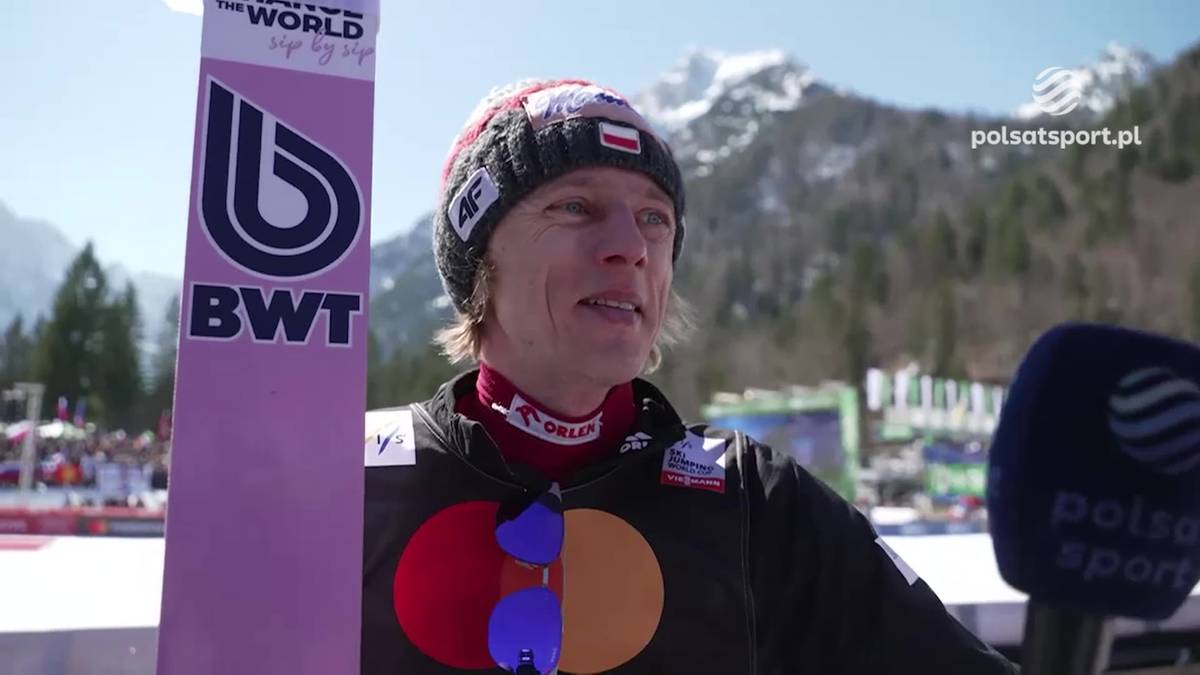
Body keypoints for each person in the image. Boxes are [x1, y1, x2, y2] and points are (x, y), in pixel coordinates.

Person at [362, 78, 1019, 674]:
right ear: (481, 259)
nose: (632, 247)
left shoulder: (755, 500)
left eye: (655, 218)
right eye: (576, 207)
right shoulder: (355, 480)